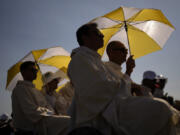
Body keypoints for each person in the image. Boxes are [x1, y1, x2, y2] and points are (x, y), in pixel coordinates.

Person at [68, 23, 179, 135]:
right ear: (85, 37)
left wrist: (132, 83)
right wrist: (129, 82)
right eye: (97, 33)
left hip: (113, 106)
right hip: (103, 113)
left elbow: (114, 86)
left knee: (163, 108)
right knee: (160, 108)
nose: (102, 36)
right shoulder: (80, 59)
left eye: (126, 51)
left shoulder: (96, 61)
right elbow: (98, 89)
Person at [11, 61, 70, 135]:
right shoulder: (20, 89)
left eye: (36, 70)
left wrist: (51, 112)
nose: (35, 72)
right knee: (70, 122)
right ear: (23, 72)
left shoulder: (36, 91)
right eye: (32, 70)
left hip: (45, 120)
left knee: (72, 121)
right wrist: (51, 112)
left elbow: (47, 106)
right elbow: (31, 111)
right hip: (34, 127)